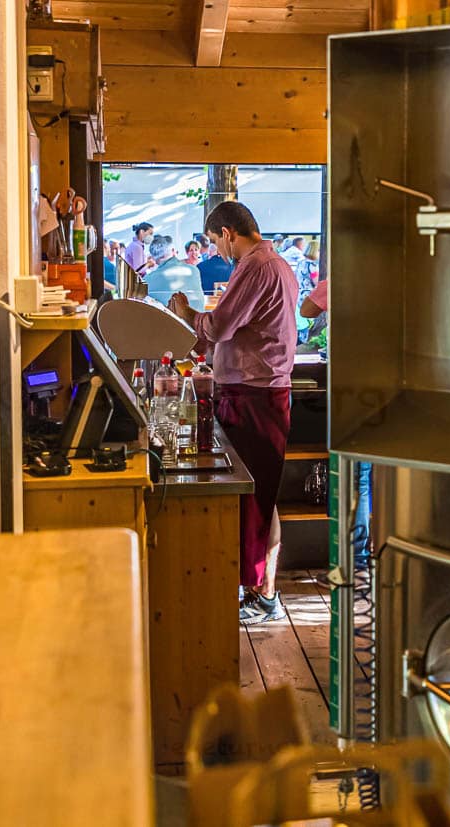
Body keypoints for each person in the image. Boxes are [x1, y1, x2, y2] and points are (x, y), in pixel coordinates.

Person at [168, 202, 296, 624]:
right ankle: (263, 595)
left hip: (254, 393)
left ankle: (261, 598)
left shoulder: (255, 266)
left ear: (226, 232)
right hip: (260, 391)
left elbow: (220, 326)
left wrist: (186, 313)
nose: (216, 250)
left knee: (253, 498)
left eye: (213, 241)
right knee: (263, 497)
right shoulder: (277, 264)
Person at [144, 236, 203, 306]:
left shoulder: (147, 280)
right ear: (173, 251)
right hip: (196, 316)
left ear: (153, 257)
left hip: (167, 316)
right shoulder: (194, 270)